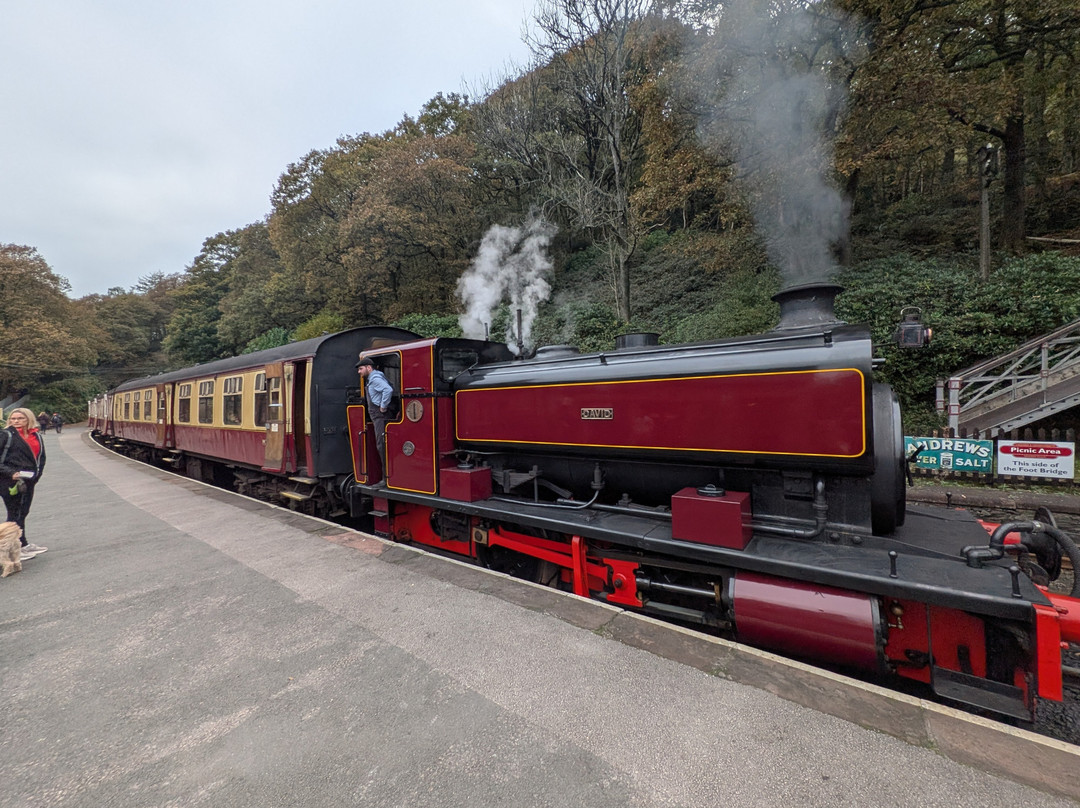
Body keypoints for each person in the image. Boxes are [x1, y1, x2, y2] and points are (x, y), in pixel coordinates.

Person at [0, 408, 48, 559]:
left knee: (23, 512)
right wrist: (10, 473)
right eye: (13, 418)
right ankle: (12, 550)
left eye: (20, 418)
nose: (16, 421)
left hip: (28, 480)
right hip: (9, 481)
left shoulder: (36, 436)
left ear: (28, 419)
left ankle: (23, 544)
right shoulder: (6, 435)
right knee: (15, 514)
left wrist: (36, 476)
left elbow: (41, 457)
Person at [355, 357, 393, 484]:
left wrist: (383, 406)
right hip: (377, 416)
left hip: (380, 416)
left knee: (382, 445)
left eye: (361, 369)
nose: (359, 372)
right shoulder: (375, 378)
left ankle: (386, 478)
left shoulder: (375, 379)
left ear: (369, 368)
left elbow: (388, 390)